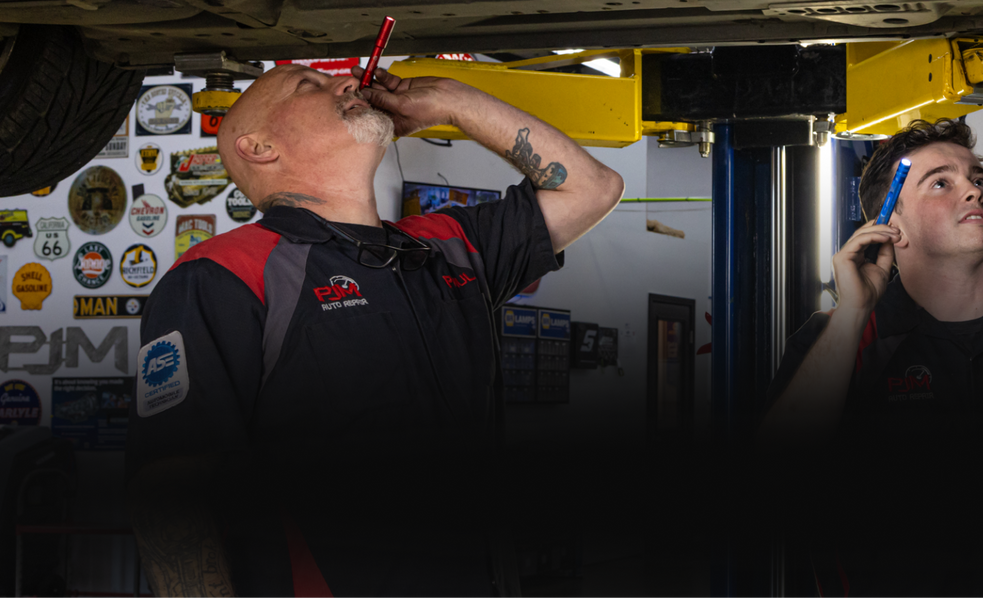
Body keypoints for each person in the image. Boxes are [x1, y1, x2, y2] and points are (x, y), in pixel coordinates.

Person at [126, 63, 624, 597]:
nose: (345, 82)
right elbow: (172, 495)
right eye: (306, 85)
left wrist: (452, 102)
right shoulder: (226, 275)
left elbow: (592, 189)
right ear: (259, 148)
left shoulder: (446, 246)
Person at [759, 118, 983, 597]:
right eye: (941, 183)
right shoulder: (839, 342)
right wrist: (851, 313)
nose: (974, 192)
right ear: (893, 229)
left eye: (977, 179)